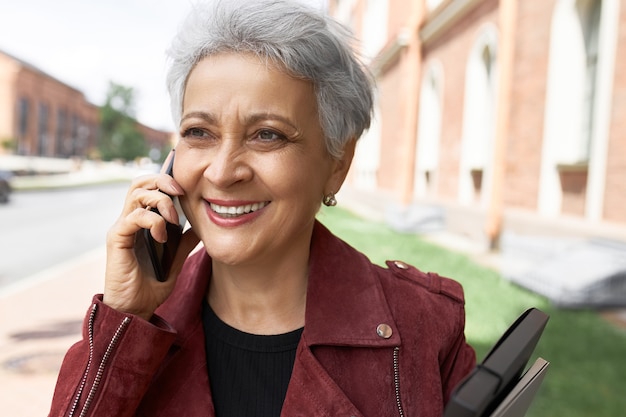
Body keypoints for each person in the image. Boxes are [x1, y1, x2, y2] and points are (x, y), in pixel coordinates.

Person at [49, 1, 476, 416]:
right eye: (199, 132)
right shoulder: (136, 324)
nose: (221, 171)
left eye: (267, 135)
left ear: (337, 164)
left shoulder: (427, 327)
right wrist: (124, 322)